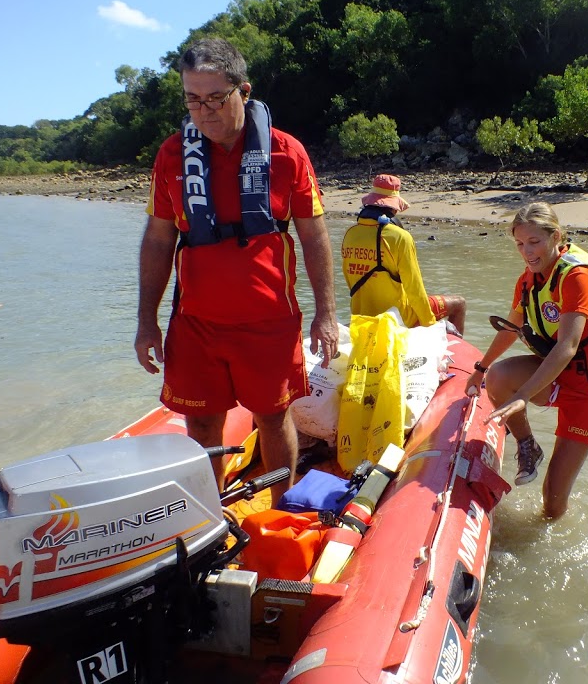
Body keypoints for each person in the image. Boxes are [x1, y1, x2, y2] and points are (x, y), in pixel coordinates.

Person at [134, 38, 339, 502]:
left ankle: (280, 508)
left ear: (243, 91)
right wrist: (147, 321)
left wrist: (325, 312)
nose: (202, 111)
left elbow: (314, 236)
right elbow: (159, 240)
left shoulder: (288, 153)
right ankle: (209, 512)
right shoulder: (171, 156)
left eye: (214, 98)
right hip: (196, 324)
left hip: (269, 319)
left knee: (272, 416)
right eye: (192, 99)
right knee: (201, 423)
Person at [465, 202, 588, 519]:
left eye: (534, 242)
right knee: (498, 377)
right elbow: (510, 329)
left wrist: (522, 396)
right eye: (520, 244)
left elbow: (567, 345)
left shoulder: (577, 277)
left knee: (552, 498)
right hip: (557, 378)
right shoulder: (527, 280)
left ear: (556, 236)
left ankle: (551, 530)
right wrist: (479, 369)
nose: (527, 251)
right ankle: (528, 447)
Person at [341, 173, 466, 334]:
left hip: (360, 317)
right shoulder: (400, 237)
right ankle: (451, 353)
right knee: (459, 304)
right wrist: (430, 326)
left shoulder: (350, 234)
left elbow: (349, 279)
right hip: (398, 318)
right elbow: (415, 290)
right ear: (393, 207)